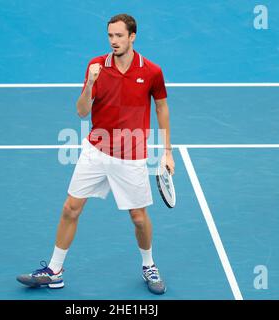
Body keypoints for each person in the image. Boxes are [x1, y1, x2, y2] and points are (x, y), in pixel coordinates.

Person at [17, 13, 174, 295]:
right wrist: (90, 83)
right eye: (110, 36)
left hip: (132, 154)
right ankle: (54, 270)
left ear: (132, 36)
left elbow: (161, 108)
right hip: (96, 150)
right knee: (70, 208)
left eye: (119, 36)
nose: (114, 41)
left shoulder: (151, 71)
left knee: (138, 217)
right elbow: (81, 111)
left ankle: (149, 265)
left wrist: (167, 152)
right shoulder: (96, 66)